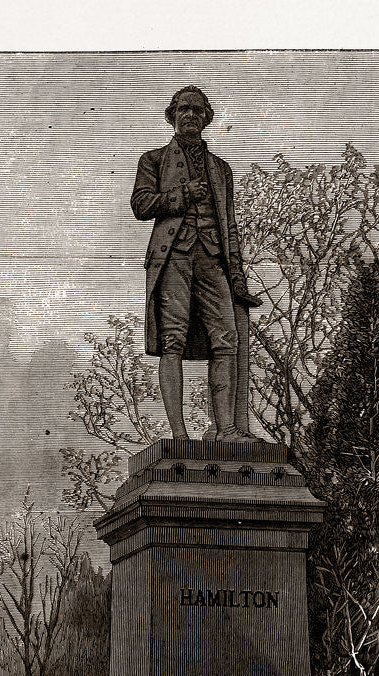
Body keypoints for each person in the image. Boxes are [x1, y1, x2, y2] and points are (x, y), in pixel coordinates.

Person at [131, 85, 262, 442]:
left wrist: (237, 276)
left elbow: (229, 225)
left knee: (227, 339)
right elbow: (141, 205)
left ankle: (227, 431)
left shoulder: (221, 169)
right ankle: (179, 435)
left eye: (197, 110)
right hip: (172, 257)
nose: (189, 115)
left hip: (212, 259)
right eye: (182, 109)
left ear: (206, 118)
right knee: (172, 341)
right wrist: (182, 195)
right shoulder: (153, 160)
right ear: (172, 117)